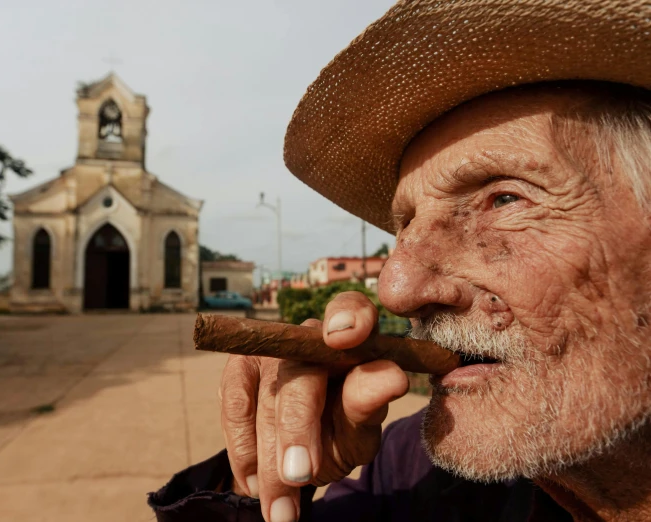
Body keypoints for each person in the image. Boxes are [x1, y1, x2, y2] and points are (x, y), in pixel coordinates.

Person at [149, 0, 651, 520]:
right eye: (405, 224)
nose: (397, 288)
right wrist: (254, 490)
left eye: (504, 199)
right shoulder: (408, 471)